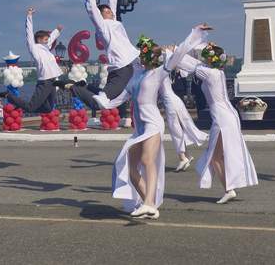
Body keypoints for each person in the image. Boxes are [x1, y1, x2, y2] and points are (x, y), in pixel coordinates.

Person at [94, 24, 211, 220]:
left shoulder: (159, 72)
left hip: (153, 124)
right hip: (139, 129)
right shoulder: (135, 78)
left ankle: (149, 203)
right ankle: (149, 204)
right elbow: (120, 99)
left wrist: (195, 33)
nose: (140, 56)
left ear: (150, 57)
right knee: (130, 168)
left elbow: (179, 53)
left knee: (147, 160)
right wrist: (103, 101)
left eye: (143, 54)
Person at [177, 42, 258, 204]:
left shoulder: (208, 73)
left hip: (222, 118)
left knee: (215, 157)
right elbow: (195, 64)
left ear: (210, 59)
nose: (203, 58)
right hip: (228, 115)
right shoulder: (217, 72)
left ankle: (229, 190)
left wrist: (173, 52)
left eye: (205, 55)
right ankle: (230, 187)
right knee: (223, 154)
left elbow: (184, 62)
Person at [54, 0, 140, 120]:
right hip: (122, 68)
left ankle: (84, 86)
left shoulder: (114, 23)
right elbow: (92, 9)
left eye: (110, 11)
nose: (110, 12)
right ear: (100, 17)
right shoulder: (103, 26)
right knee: (102, 102)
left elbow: (112, 11)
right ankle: (72, 87)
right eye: (106, 12)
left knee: (106, 98)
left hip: (126, 67)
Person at [0, 8, 63, 113]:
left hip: (53, 81)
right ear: (39, 40)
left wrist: (57, 30)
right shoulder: (34, 48)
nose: (48, 41)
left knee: (48, 108)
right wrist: (29, 16)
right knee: (30, 107)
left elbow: (51, 38)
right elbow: (29, 33)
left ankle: (22, 105)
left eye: (47, 40)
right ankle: (9, 96)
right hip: (45, 82)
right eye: (45, 39)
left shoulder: (46, 47)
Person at [159, 72, 208, 172]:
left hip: (170, 102)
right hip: (173, 100)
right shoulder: (161, 72)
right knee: (177, 129)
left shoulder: (158, 73)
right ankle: (186, 155)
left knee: (175, 130)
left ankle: (183, 157)